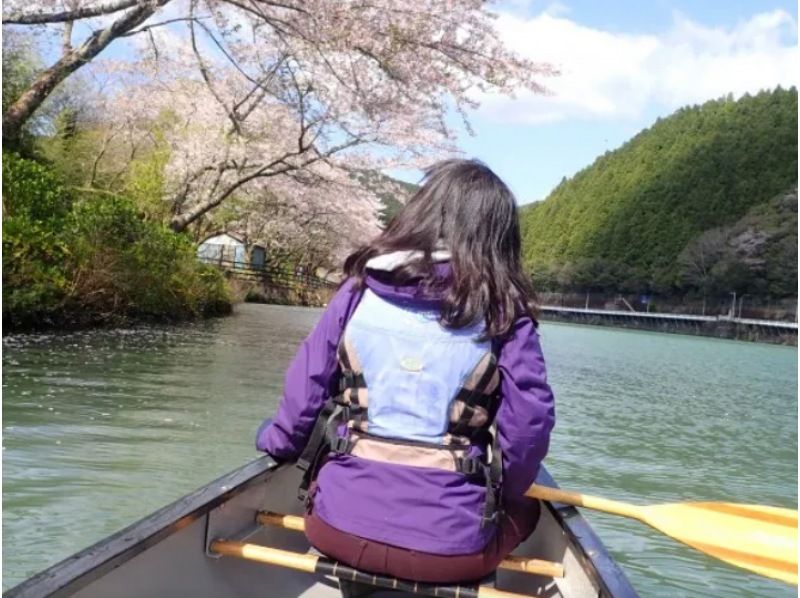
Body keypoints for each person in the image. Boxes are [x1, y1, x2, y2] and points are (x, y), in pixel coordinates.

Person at [255, 159, 555, 584]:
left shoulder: (357, 292)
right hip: (450, 553)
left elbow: (303, 394)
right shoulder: (506, 314)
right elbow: (529, 426)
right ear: (499, 239)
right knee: (527, 510)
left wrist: (276, 440)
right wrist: (502, 492)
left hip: (335, 529)